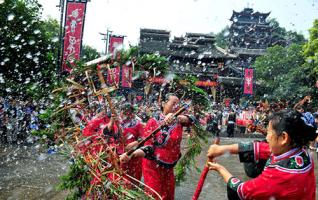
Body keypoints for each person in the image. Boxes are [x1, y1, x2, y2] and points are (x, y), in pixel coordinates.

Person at [207, 110, 317, 200]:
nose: (267, 137)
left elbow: (243, 191)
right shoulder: (301, 152)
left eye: (269, 133)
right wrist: (221, 149)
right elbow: (260, 148)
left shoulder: (280, 174)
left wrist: (221, 169)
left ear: (284, 137)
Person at [120, 94, 194, 200]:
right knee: (154, 196)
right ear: (163, 104)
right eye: (173, 103)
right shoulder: (153, 122)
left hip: (169, 167)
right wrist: (132, 154)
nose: (176, 107)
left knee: (168, 196)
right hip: (153, 167)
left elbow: (192, 120)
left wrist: (177, 117)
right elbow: (148, 148)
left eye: (178, 104)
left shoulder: (179, 121)